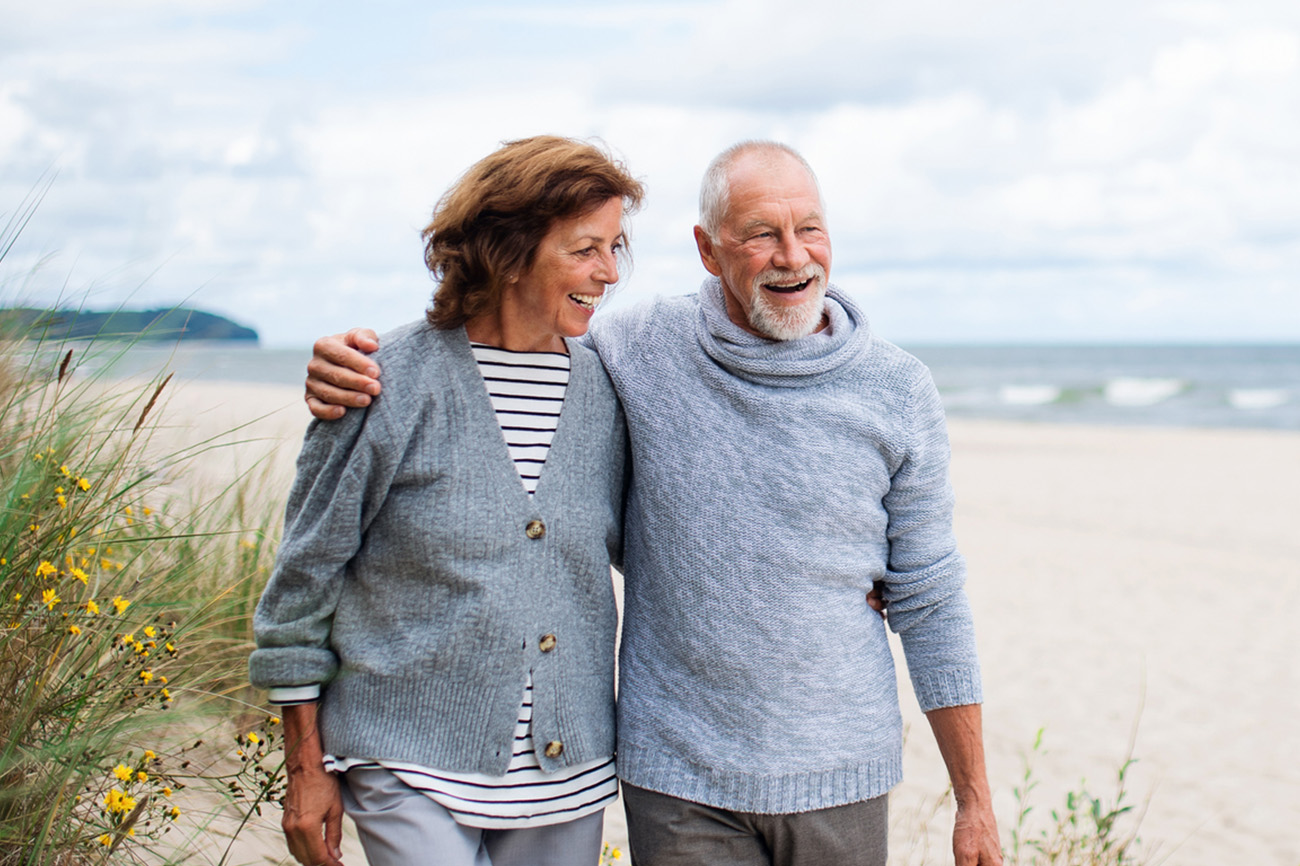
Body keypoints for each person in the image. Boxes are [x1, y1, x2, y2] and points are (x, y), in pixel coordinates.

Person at [306, 141, 1002, 866]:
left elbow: (929, 597)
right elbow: (506, 342)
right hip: (675, 775)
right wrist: (351, 364)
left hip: (837, 772)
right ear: (708, 249)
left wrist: (974, 799)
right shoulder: (631, 349)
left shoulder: (898, 389)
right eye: (762, 233)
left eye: (811, 228)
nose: (794, 256)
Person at [250, 135, 645, 866]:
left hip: (567, 772)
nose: (609, 273)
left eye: (616, 247)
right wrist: (305, 770)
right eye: (585, 249)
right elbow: (301, 587)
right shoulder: (384, 383)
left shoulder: (612, 394)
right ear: (509, 250)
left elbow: (663, 539)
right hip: (404, 757)